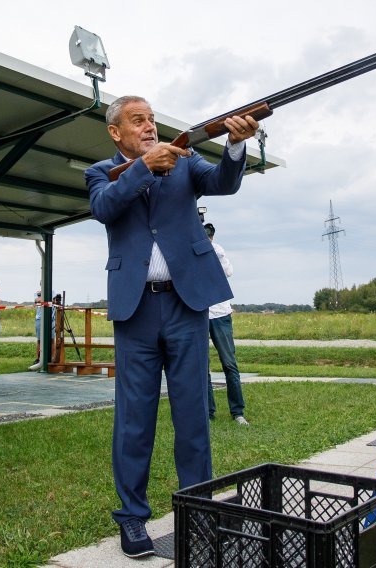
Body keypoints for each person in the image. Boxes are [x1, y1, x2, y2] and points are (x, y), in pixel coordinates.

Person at [86, 95, 258, 558]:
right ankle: (132, 519)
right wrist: (144, 165)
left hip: (187, 305)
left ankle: (197, 510)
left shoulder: (186, 160)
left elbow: (223, 183)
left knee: (192, 416)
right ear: (115, 132)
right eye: (137, 121)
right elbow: (104, 208)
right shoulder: (101, 172)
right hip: (135, 310)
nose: (148, 126)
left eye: (152, 120)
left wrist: (237, 146)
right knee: (133, 422)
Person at [204, 222, 248, 426]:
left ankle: (237, 412)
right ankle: (208, 412)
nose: (207, 237)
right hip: (200, 313)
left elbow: (227, 272)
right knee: (202, 366)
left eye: (209, 234)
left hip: (220, 313)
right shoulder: (190, 249)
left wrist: (212, 248)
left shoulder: (218, 250)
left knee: (229, 363)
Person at [29, 291, 43, 371]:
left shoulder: (51, 292)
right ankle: (38, 358)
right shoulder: (37, 293)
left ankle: (52, 357)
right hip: (39, 318)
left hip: (49, 318)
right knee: (39, 340)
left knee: (51, 339)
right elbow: (36, 300)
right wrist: (39, 300)